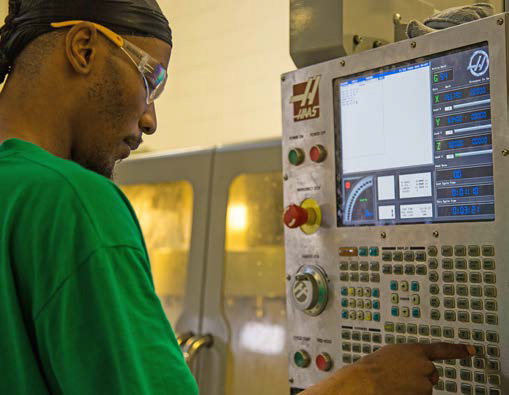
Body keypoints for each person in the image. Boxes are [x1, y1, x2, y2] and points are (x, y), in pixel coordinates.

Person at [0, 0, 474, 394]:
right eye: (151, 81)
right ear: (82, 49)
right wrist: (365, 381)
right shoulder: (73, 200)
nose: (149, 120)